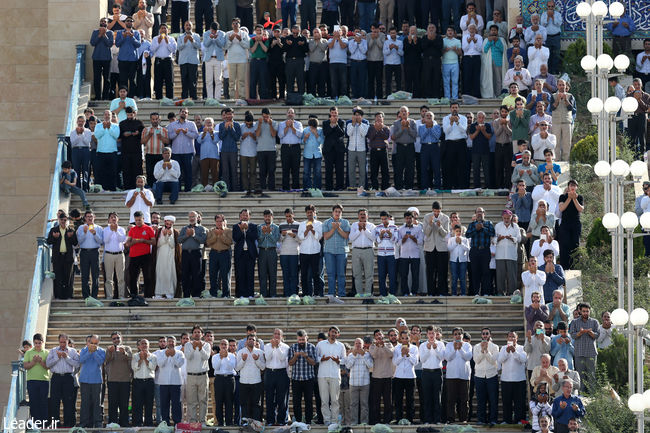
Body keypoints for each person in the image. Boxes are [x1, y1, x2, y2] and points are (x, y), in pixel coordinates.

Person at [316, 326, 346, 425]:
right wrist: (322, 359)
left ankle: (334, 421)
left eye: (335, 332)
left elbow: (344, 360)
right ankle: (327, 420)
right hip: (322, 375)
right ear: (328, 332)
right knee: (324, 400)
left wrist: (338, 360)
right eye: (332, 332)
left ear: (338, 334)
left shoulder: (341, 345)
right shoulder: (320, 344)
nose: (333, 334)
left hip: (335, 375)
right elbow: (315, 357)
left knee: (335, 400)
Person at [288, 329, 318, 424]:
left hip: (308, 378)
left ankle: (308, 420)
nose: (301, 342)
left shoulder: (312, 347)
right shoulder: (292, 347)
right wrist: (295, 357)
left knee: (308, 401)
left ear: (306, 338)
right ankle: (298, 421)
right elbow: (290, 363)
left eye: (303, 340)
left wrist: (306, 357)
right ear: (297, 339)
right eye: (299, 340)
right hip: (296, 379)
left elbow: (314, 363)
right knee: (296, 402)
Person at [497, 330, 527, 424]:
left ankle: (519, 419)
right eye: (510, 337)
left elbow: (523, 359)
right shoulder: (503, 348)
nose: (511, 338)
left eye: (513, 337)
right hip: (506, 379)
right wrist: (507, 352)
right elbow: (500, 360)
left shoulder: (522, 348)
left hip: (519, 379)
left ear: (517, 338)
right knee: (506, 401)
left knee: (519, 401)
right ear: (507, 338)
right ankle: (507, 420)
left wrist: (514, 352)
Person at [569, 302, 599, 392]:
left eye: (587, 311)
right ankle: (581, 395)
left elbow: (597, 335)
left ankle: (592, 395)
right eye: (584, 311)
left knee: (591, 375)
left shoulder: (594, 322)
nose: (585, 313)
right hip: (579, 352)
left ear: (590, 311)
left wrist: (591, 333)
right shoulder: (574, 322)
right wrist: (580, 333)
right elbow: (573, 335)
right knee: (580, 375)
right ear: (580, 311)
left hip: (591, 353)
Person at [444, 327, 472, 423]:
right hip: (451, 376)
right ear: (453, 336)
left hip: (464, 376)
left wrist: (460, 349)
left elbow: (468, 357)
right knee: (451, 399)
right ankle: (451, 419)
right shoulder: (448, 345)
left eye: (459, 334)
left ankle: (463, 419)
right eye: (455, 334)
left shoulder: (467, 345)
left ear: (462, 335)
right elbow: (447, 358)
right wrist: (454, 349)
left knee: (464, 400)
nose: (457, 336)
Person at [47, 212, 78, 300]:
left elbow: (75, 243)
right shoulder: (54, 230)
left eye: (65, 220)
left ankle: (68, 295)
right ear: (59, 220)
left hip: (68, 257)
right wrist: (55, 238)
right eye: (62, 220)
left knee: (68, 277)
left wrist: (71, 237)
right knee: (58, 276)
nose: (63, 221)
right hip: (58, 257)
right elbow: (49, 241)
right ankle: (58, 296)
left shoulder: (71, 230)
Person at [322, 204, 351, 299]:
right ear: (332, 212)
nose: (337, 213)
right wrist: (333, 228)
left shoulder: (345, 222)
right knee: (330, 273)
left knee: (341, 273)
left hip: (342, 251)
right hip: (329, 251)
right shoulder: (326, 222)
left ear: (341, 213)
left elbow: (346, 236)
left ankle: (341, 293)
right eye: (336, 211)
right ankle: (331, 293)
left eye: (339, 212)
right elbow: (326, 236)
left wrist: (338, 228)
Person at [105, 332, 133, 427]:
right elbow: (106, 361)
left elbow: (130, 358)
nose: (116, 340)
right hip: (112, 380)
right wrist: (111, 352)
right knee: (112, 404)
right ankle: (113, 422)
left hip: (125, 380)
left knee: (124, 404)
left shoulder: (127, 348)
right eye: (114, 338)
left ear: (121, 338)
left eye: (118, 338)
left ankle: (124, 422)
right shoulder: (109, 349)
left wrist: (124, 353)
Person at [472, 328, 499, 427]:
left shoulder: (495, 347)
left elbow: (493, 361)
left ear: (490, 335)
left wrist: (486, 351)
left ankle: (493, 419)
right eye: (483, 334)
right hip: (479, 376)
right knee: (481, 399)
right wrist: (482, 350)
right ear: (481, 335)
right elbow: (476, 360)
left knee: (493, 399)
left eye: (487, 334)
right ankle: (481, 419)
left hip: (491, 375)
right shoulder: (476, 347)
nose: (485, 335)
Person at [466, 207, 495, 296]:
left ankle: (485, 292)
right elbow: (467, 235)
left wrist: (483, 228)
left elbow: (492, 234)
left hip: (485, 250)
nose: (479, 214)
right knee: (475, 272)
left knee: (486, 272)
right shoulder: (472, 224)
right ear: (475, 213)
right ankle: (476, 293)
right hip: (474, 250)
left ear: (484, 213)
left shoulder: (488, 223)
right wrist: (476, 229)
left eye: (481, 212)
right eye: (478, 212)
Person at [78, 334, 106, 428]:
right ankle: (84, 423)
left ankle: (97, 423)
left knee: (97, 403)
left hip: (96, 380)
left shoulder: (102, 351)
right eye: (91, 343)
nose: (93, 345)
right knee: (85, 402)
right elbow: (81, 360)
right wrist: (89, 352)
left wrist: (94, 352)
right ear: (88, 342)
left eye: (95, 343)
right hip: (85, 380)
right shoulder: (83, 350)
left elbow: (100, 362)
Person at [157, 336, 185, 424]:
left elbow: (179, 364)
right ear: (166, 343)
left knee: (176, 403)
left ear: (175, 343)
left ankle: (177, 422)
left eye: (172, 342)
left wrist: (173, 356)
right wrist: (166, 355)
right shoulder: (161, 353)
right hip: (163, 382)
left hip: (176, 382)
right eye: (169, 341)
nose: (171, 343)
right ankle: (165, 422)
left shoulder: (180, 353)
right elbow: (160, 364)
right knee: (164, 403)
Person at [23, 334, 50, 428]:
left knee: (43, 402)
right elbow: (25, 366)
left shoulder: (47, 352)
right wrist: (34, 362)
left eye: (39, 343)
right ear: (33, 343)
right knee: (34, 402)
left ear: (43, 342)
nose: (38, 345)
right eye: (36, 343)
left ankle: (45, 423)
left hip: (44, 380)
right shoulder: (28, 352)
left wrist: (40, 361)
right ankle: (35, 423)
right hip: (31, 381)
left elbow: (48, 367)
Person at [77, 211, 104, 300]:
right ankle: (86, 296)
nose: (89, 218)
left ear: (94, 217)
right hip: (84, 252)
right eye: (87, 216)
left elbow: (101, 242)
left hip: (94, 252)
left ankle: (94, 295)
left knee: (95, 275)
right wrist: (84, 233)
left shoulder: (99, 228)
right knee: (84, 275)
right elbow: (79, 242)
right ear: (85, 218)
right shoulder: (81, 227)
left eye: (91, 216)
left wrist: (95, 234)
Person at [558, 179, 584, 270]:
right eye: (571, 185)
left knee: (575, 245)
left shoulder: (579, 197)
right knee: (564, 245)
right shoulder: (562, 197)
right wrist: (569, 198)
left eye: (574, 185)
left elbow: (580, 209)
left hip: (575, 224)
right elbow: (561, 208)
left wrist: (574, 199)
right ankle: (564, 268)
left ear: (576, 187)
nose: (572, 187)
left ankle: (574, 268)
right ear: (568, 187)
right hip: (565, 224)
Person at [130, 338, 157, 427]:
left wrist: (146, 359)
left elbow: (153, 367)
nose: (144, 345)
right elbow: (134, 368)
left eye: (146, 343)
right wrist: (141, 359)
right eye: (142, 344)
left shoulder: (153, 356)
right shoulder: (135, 356)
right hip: (138, 382)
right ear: (139, 346)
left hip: (149, 382)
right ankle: (137, 422)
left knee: (149, 403)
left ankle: (148, 423)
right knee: (137, 404)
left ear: (149, 345)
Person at [233, 209, 259, 298]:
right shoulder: (236, 226)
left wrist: (247, 229)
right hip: (240, 254)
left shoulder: (253, 226)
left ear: (249, 216)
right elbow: (236, 238)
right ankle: (240, 294)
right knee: (240, 274)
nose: (244, 216)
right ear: (240, 216)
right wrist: (241, 230)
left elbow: (254, 237)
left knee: (250, 274)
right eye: (243, 215)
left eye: (246, 215)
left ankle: (250, 294)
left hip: (250, 253)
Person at [349, 209, 376, 296]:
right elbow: (351, 238)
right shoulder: (354, 225)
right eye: (361, 214)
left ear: (367, 216)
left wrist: (365, 229)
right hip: (356, 250)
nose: (362, 216)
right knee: (357, 274)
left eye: (364, 214)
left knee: (369, 274)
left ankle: (368, 293)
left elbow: (373, 238)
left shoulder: (371, 226)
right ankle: (359, 293)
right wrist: (359, 230)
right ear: (358, 216)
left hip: (368, 250)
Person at [494, 209, 521, 295]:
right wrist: (499, 238)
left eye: (508, 218)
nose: (506, 220)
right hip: (500, 255)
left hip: (511, 254)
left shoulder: (515, 226)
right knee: (500, 275)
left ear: (511, 217)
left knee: (512, 276)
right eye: (505, 218)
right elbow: (493, 239)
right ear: (502, 217)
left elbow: (519, 238)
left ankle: (511, 293)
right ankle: (500, 292)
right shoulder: (498, 226)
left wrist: (512, 238)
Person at [278, 108, 304, 192]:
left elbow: (300, 135)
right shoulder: (281, 124)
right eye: (288, 112)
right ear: (286, 114)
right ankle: (285, 187)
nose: (290, 114)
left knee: (295, 168)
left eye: (292, 113)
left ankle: (295, 187)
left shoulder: (298, 124)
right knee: (285, 168)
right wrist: (286, 127)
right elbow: (280, 135)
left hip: (295, 147)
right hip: (285, 148)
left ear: (294, 115)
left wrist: (292, 127)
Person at [115, 17, 142, 96]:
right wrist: (123, 37)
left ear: (133, 23)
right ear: (125, 22)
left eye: (131, 21)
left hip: (133, 60)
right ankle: (123, 96)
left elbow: (138, 44)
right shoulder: (120, 33)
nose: (129, 22)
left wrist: (132, 37)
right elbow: (117, 44)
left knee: (132, 79)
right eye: (128, 21)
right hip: (122, 59)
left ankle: (132, 96)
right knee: (123, 79)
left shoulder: (136, 33)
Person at [550, 79, 576, 160]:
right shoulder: (553, 96)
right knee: (556, 143)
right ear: (557, 86)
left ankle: (566, 161)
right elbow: (552, 108)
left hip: (566, 122)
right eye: (560, 85)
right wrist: (557, 100)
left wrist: (566, 100)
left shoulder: (570, 96)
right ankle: (556, 160)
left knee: (566, 143)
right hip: (556, 122)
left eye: (563, 85)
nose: (562, 86)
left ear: (565, 86)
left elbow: (571, 108)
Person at [150, 24, 177, 99]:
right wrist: (158, 42)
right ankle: (159, 98)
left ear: (168, 30)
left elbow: (173, 50)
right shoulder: (155, 38)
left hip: (168, 61)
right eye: (162, 28)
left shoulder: (171, 39)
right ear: (159, 30)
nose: (163, 30)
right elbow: (152, 49)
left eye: (165, 28)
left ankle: (170, 98)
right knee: (158, 80)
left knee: (169, 80)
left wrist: (167, 42)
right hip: (158, 60)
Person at [91, 19, 114, 100]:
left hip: (107, 58)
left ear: (107, 24)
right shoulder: (95, 32)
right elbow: (92, 43)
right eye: (102, 21)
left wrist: (104, 35)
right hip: (97, 58)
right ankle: (98, 96)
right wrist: (99, 35)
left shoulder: (110, 33)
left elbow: (110, 44)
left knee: (107, 78)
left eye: (105, 22)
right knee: (97, 78)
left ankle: (105, 97)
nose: (103, 23)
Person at [302, 117, 324, 191]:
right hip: (307, 154)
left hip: (317, 154)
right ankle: (307, 188)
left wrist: (316, 134)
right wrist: (305, 138)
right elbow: (302, 142)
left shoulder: (320, 130)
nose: (312, 128)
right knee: (306, 172)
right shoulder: (305, 130)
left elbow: (322, 141)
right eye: (310, 126)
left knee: (317, 172)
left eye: (313, 126)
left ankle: (317, 188)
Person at [461, 24, 482, 98]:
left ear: (475, 30)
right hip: (467, 58)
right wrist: (469, 42)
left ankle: (476, 94)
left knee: (476, 76)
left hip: (476, 57)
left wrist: (475, 42)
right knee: (467, 76)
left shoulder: (479, 37)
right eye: (470, 28)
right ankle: (467, 94)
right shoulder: (464, 37)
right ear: (468, 30)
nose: (472, 30)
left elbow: (480, 49)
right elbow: (464, 49)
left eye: (473, 28)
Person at [383, 28, 404, 96]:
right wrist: (390, 48)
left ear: (396, 33)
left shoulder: (400, 42)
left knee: (398, 81)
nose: (393, 34)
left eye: (394, 33)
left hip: (397, 63)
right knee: (388, 81)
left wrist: (397, 48)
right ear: (389, 34)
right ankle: (388, 95)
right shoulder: (386, 42)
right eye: (391, 33)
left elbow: (402, 53)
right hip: (388, 64)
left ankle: (398, 95)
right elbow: (385, 53)